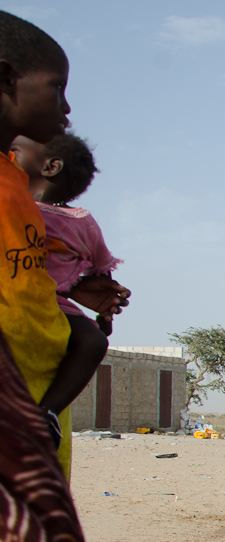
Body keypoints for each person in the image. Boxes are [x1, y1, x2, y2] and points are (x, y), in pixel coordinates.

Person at [0, 9, 93, 542]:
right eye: (54, 89)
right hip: (12, 404)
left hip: (36, 403)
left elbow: (28, 289)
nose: (66, 108)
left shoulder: (14, 190)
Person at [10, 132, 129, 477]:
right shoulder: (14, 203)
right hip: (24, 303)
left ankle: (47, 413)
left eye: (16, 151)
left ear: (51, 165)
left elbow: (95, 271)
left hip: (56, 303)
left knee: (93, 341)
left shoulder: (78, 221)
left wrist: (104, 307)